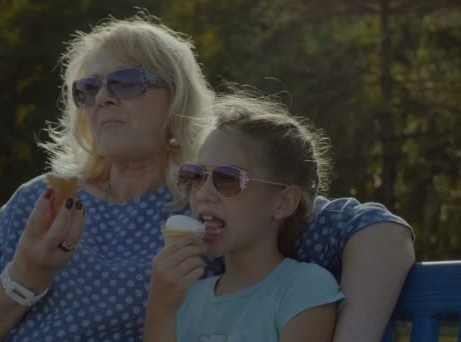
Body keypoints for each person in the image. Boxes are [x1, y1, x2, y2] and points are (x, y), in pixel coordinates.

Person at [0, 14, 415, 342]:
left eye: (125, 83)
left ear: (177, 99)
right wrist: (25, 276)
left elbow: (374, 231)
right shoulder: (40, 200)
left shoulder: (208, 201)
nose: (102, 99)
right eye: (87, 88)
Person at [145, 94, 345, 341]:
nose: (203, 194)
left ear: (283, 203)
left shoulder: (305, 289)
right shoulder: (186, 298)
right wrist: (160, 309)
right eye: (196, 176)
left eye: (228, 179)